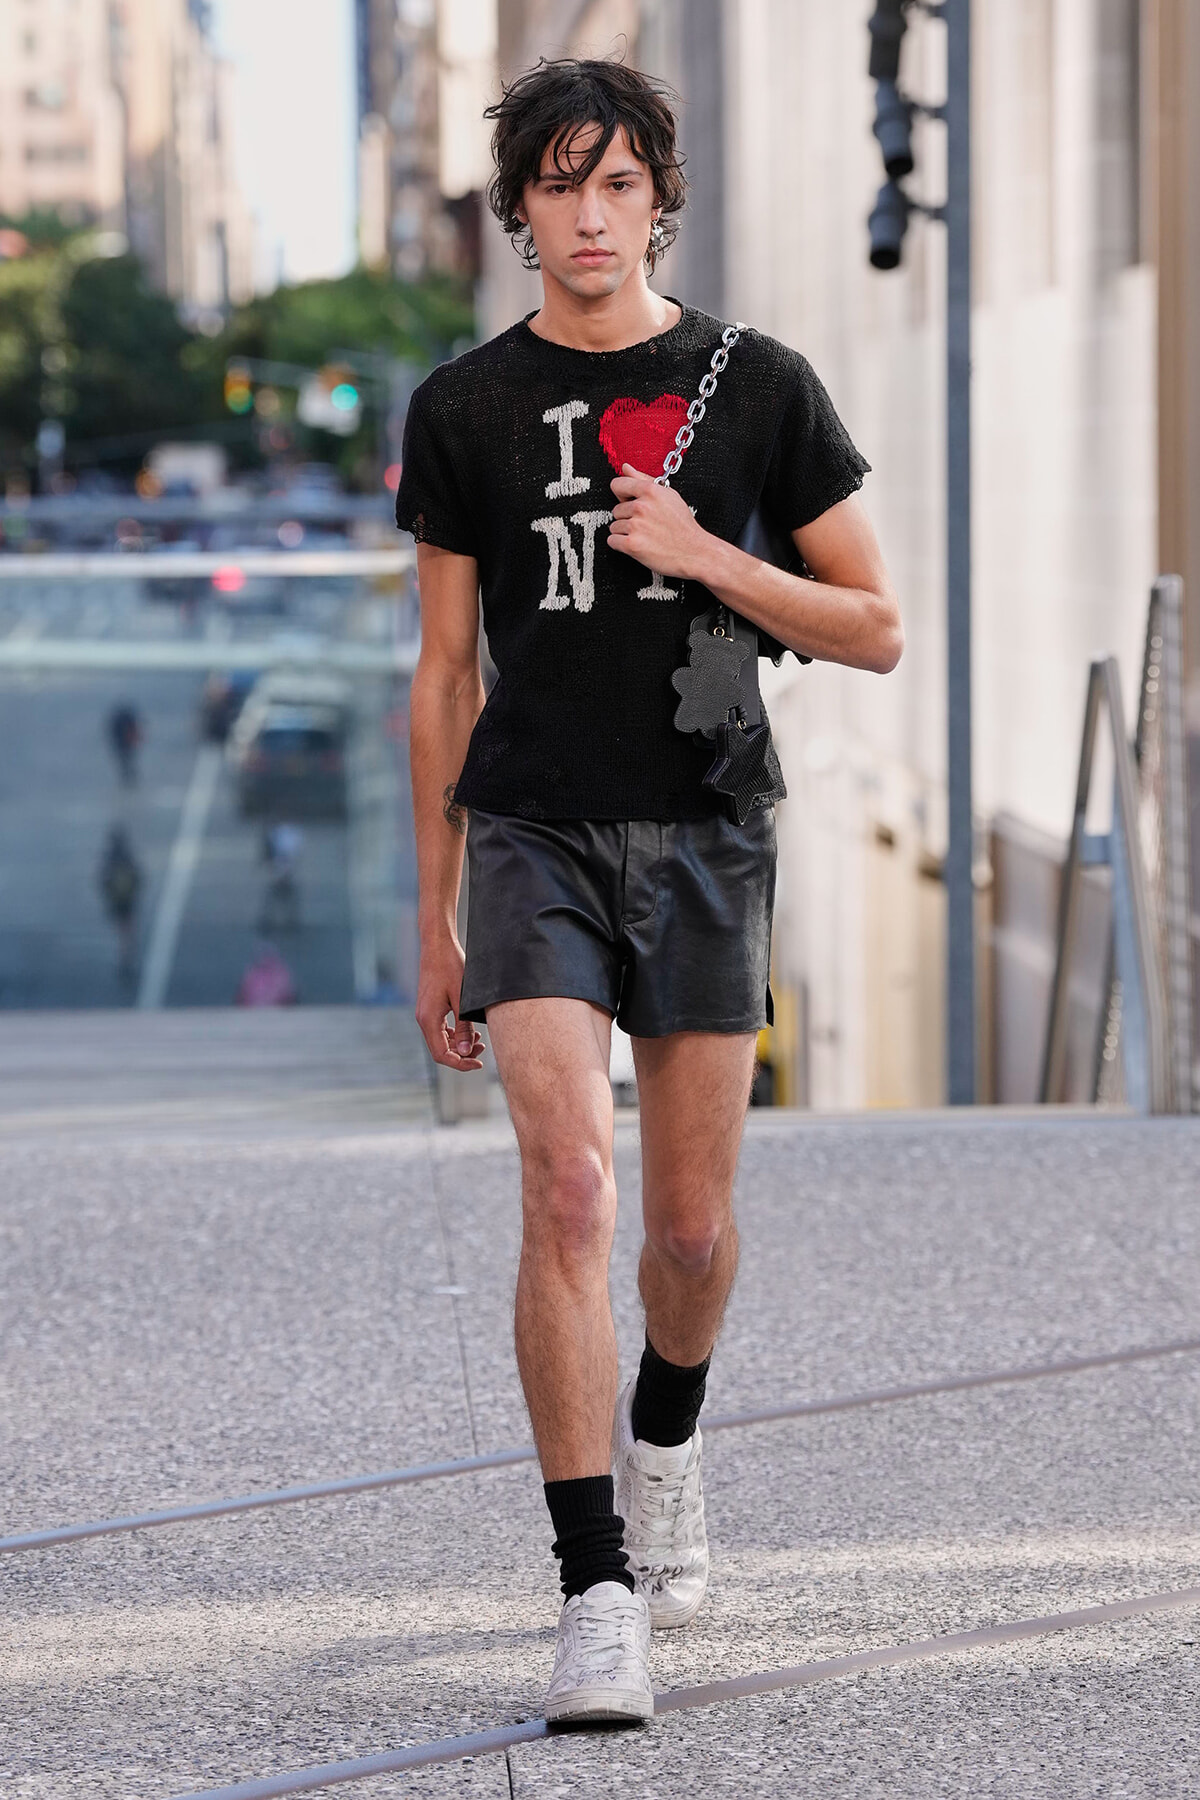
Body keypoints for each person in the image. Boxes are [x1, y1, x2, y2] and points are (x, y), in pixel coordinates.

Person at [397, 57, 902, 1725]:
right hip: (532, 830)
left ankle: (669, 1441)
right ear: (522, 209)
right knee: (569, 1193)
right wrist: (436, 912)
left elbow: (874, 627)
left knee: (684, 1231)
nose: (592, 214)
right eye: (560, 184)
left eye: (620, 184)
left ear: (658, 199)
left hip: (704, 830)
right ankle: (592, 1580)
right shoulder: (463, 408)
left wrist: (707, 555)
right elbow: (443, 669)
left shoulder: (757, 385)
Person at [97, 825, 142, 980]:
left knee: (121, 930)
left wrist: (108, 897)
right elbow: (138, 877)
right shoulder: (127, 857)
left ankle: (123, 955)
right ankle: (126, 955)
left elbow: (103, 880)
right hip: (128, 899)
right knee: (127, 930)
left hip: (116, 900)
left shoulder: (110, 857)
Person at [258, 820, 302, 934]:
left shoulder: (286, 835)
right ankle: (274, 920)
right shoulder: (278, 835)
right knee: (276, 898)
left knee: (282, 897)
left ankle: (287, 921)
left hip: (283, 871)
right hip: (280, 871)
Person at [107, 703, 142, 787]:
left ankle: (129, 782)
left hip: (124, 744)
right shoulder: (125, 721)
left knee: (126, 764)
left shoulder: (122, 721)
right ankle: (129, 782)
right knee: (126, 764)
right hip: (123, 744)